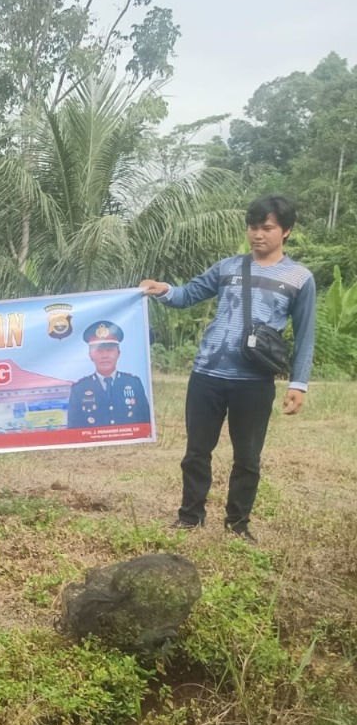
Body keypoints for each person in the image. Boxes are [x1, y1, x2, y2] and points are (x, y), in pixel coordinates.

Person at [140, 195, 317, 541]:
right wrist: (163, 290)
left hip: (255, 381)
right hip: (207, 374)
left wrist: (300, 383)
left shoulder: (299, 278)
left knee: (248, 458)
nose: (258, 235)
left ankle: (238, 525)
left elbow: (306, 334)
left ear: (286, 231)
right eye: (253, 227)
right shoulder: (227, 267)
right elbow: (188, 294)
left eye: (267, 228)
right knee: (196, 452)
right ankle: (190, 517)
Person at [66, 320, 152, 429]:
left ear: (118, 353)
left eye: (109, 350)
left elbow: (146, 423)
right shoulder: (79, 389)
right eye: (99, 351)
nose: (105, 356)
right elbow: (73, 429)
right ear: (90, 355)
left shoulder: (134, 383)